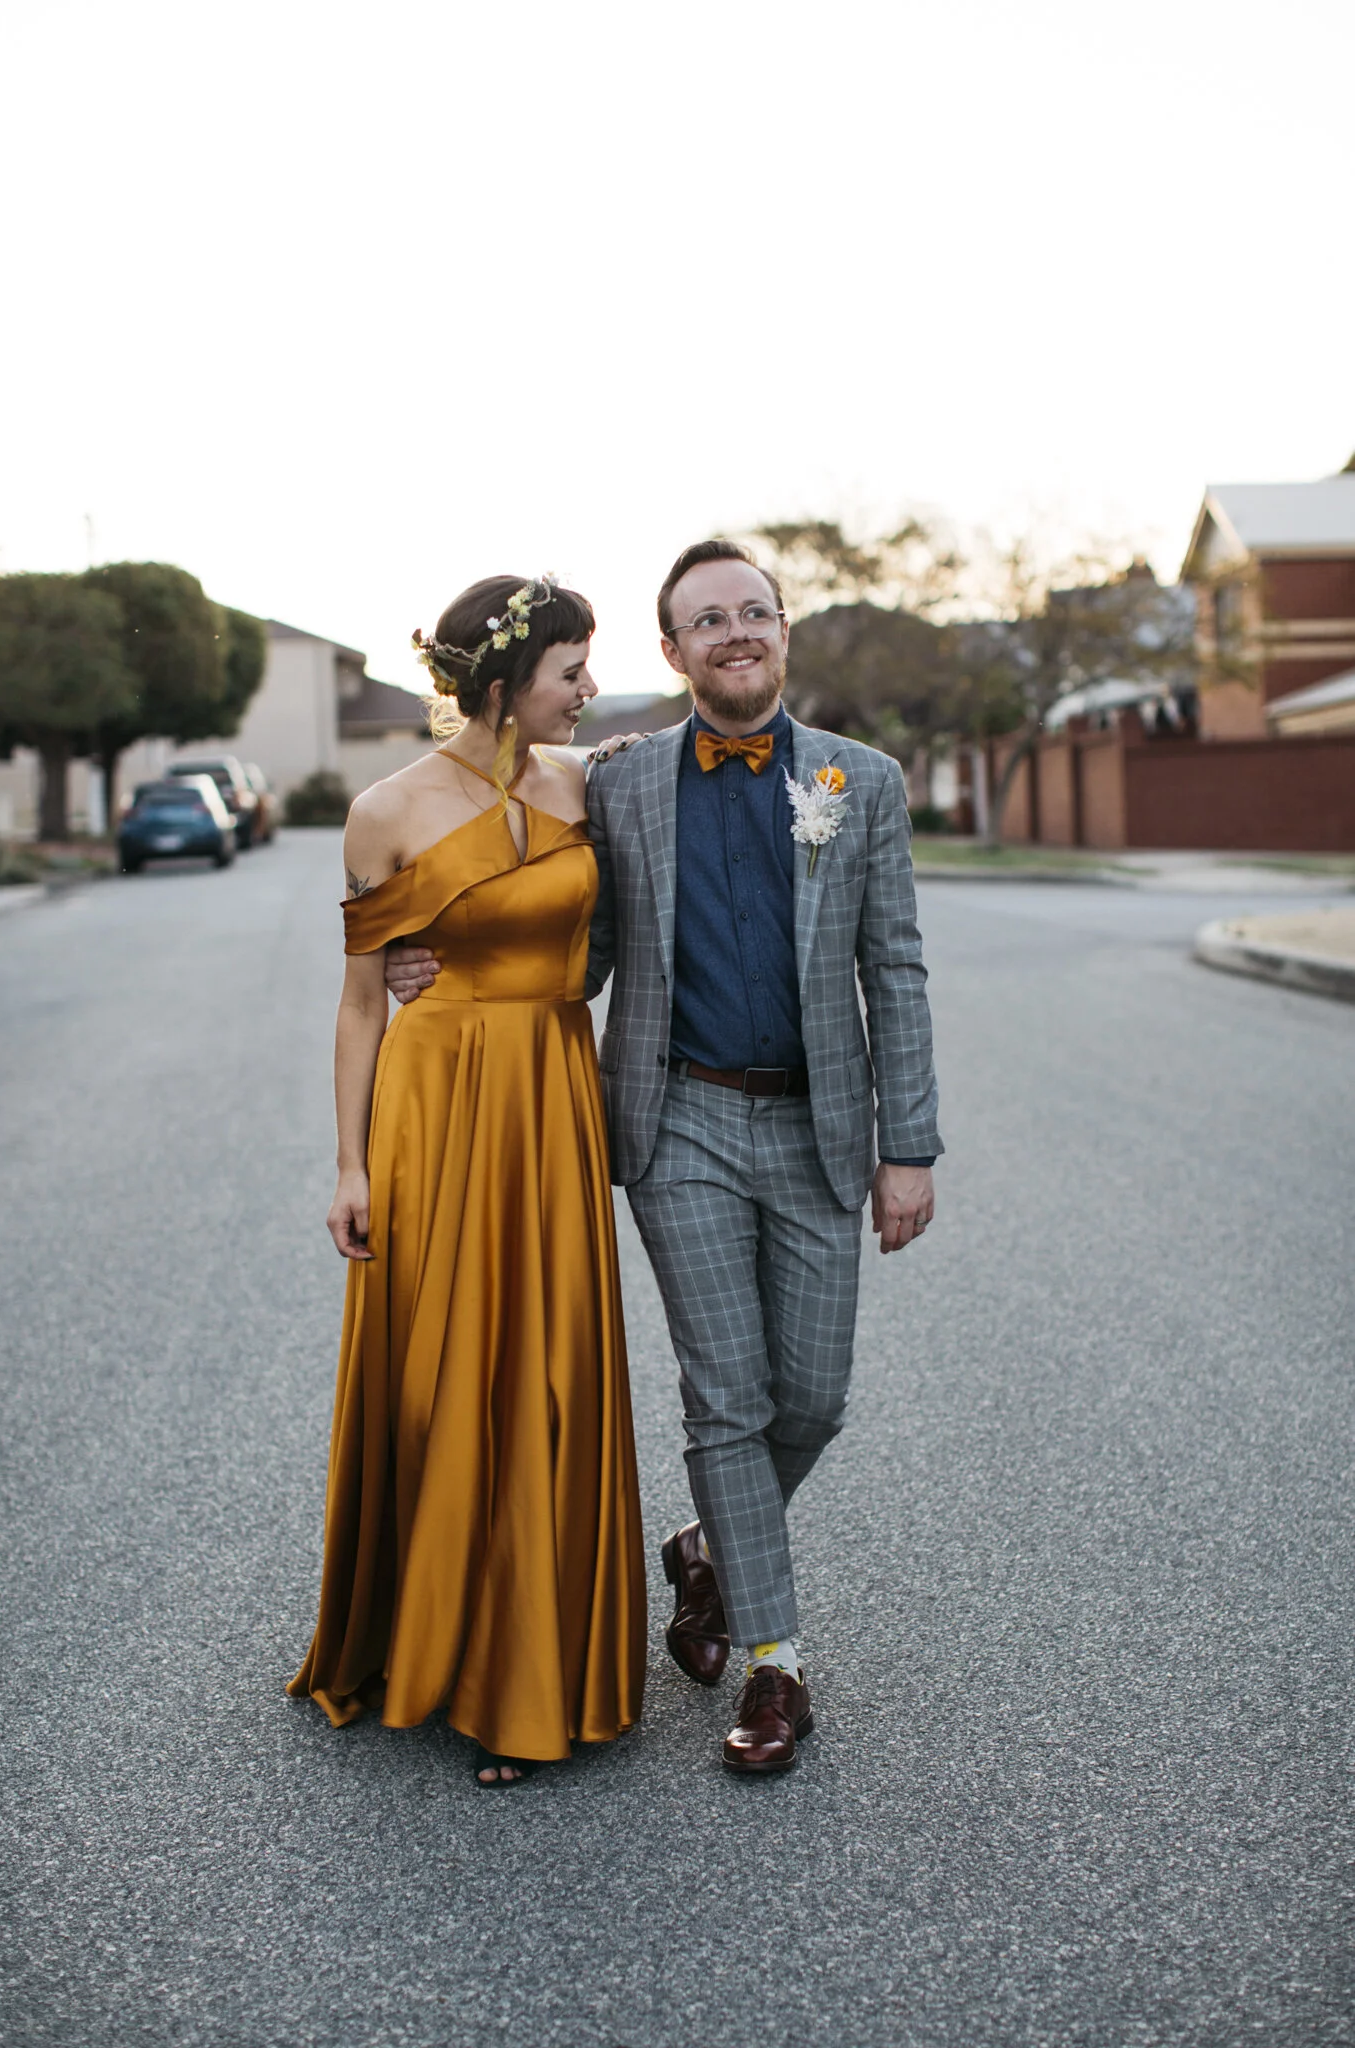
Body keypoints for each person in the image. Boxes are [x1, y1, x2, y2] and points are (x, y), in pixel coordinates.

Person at [387, 538, 941, 1775]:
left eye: (754, 611)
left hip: (816, 1127)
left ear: (782, 631)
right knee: (728, 1397)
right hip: (678, 1117)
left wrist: (910, 1146)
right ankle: (775, 1662)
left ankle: (704, 1550)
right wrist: (446, 964)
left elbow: (893, 966)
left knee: (815, 1396)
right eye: (707, 619)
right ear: (673, 649)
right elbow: (567, 934)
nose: (734, 632)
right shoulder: (623, 785)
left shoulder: (866, 781)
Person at [289, 574, 646, 1787]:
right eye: (570, 672)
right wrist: (349, 1162)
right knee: (444, 1378)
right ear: (503, 683)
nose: (588, 691)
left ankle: (529, 1667)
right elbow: (357, 1002)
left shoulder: (591, 782)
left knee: (545, 1372)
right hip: (436, 1106)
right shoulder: (386, 811)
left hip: (552, 1095)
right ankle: (433, 1638)